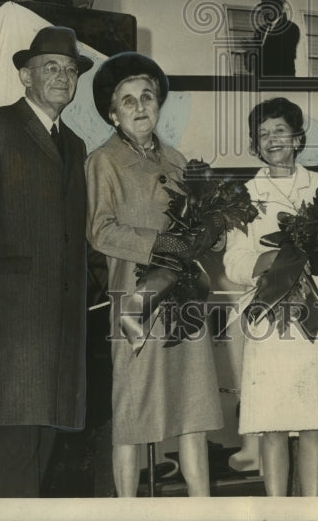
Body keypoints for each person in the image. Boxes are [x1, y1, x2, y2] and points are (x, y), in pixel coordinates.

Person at [0, 26, 92, 497]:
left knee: (40, 457)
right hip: (6, 324)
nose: (63, 77)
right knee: (12, 460)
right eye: (51, 67)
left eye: (70, 70)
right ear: (25, 76)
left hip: (57, 330)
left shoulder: (74, 145)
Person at [85, 52, 223, 497]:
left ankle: (202, 507)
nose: (140, 106)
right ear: (112, 112)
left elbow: (198, 228)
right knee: (132, 414)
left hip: (186, 300)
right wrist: (165, 246)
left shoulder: (179, 160)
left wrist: (211, 234)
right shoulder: (103, 161)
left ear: (159, 102)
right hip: (137, 300)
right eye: (127, 101)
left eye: (147, 96)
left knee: (194, 408)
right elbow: (100, 231)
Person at [224, 98, 318, 496]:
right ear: (254, 145)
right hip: (270, 317)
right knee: (272, 424)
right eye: (263, 134)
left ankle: (312, 510)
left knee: (314, 422)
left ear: (297, 138)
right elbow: (234, 262)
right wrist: (271, 259)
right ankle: (277, 510)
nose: (272, 139)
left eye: (280, 130)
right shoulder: (244, 195)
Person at [248, 0, 300, 77]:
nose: (263, 11)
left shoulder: (291, 28)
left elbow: (283, 56)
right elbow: (253, 64)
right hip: (261, 84)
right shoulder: (259, 31)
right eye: (263, 7)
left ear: (278, 7)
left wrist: (256, 51)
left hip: (281, 84)